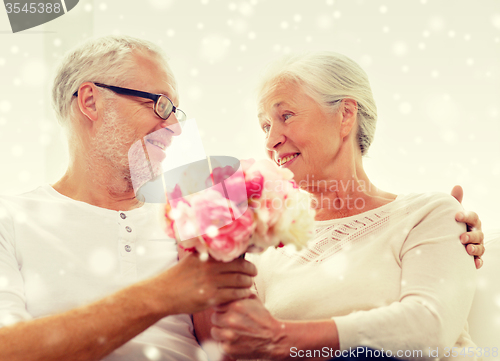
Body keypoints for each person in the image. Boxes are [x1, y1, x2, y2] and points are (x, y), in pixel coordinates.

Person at [195, 52, 485, 360]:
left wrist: (282, 338)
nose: (271, 141)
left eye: (286, 116)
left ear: (345, 115)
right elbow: (233, 348)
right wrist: (206, 244)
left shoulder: (430, 213)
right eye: (265, 126)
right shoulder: (262, 245)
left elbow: (428, 330)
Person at [0, 35, 257, 361]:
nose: (176, 127)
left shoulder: (191, 215)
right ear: (91, 101)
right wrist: (163, 294)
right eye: (160, 104)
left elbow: (239, 349)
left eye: (175, 111)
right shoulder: (9, 217)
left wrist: (224, 243)